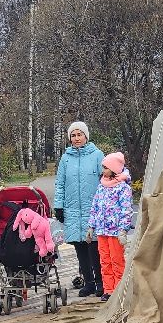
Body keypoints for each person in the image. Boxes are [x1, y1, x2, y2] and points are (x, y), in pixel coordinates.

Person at [54, 122, 104, 297]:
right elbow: (60, 184)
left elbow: (105, 181)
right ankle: (88, 282)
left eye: (79, 135)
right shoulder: (65, 158)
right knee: (80, 247)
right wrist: (58, 205)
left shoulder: (97, 155)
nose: (76, 138)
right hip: (73, 209)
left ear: (86, 136)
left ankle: (100, 282)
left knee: (95, 247)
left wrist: (104, 204)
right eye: (73, 135)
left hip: (93, 209)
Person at [87, 151, 134, 301]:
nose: (103, 170)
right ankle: (108, 289)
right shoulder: (102, 186)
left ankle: (119, 289)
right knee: (105, 260)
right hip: (101, 230)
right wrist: (91, 226)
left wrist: (123, 229)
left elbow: (127, 209)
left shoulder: (123, 188)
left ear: (114, 169)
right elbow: (95, 207)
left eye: (106, 167)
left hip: (115, 232)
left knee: (117, 260)